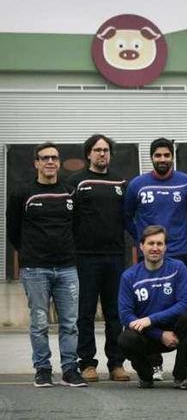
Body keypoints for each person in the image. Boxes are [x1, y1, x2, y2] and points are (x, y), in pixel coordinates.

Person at [7, 142, 86, 388]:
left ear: (59, 162)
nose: (50, 162)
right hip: (35, 269)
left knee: (69, 324)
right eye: (44, 158)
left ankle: (70, 370)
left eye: (54, 157)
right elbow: (13, 231)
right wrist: (31, 254)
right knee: (39, 323)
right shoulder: (23, 193)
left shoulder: (70, 193)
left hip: (67, 268)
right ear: (36, 163)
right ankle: (42, 369)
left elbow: (78, 228)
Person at [123, 137, 187, 380]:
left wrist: (177, 238)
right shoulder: (137, 185)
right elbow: (127, 217)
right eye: (158, 156)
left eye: (166, 155)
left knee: (186, 310)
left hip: (180, 251)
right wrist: (144, 242)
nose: (162, 159)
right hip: (151, 255)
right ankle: (154, 364)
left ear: (172, 157)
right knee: (149, 304)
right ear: (152, 158)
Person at [66, 134, 130, 382]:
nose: (102, 154)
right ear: (88, 154)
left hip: (115, 257)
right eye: (97, 150)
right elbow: (67, 221)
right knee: (85, 313)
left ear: (110, 154)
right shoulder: (76, 182)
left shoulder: (120, 182)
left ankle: (116, 363)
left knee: (115, 313)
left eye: (105, 150)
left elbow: (128, 218)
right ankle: (87, 364)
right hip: (85, 258)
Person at [117, 225, 187, 390]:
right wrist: (159, 334)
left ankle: (182, 376)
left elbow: (185, 303)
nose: (155, 248)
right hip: (148, 335)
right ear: (142, 246)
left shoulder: (178, 268)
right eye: (151, 243)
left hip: (174, 332)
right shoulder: (129, 276)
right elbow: (126, 315)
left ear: (165, 247)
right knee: (126, 339)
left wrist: (151, 319)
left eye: (160, 244)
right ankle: (146, 375)